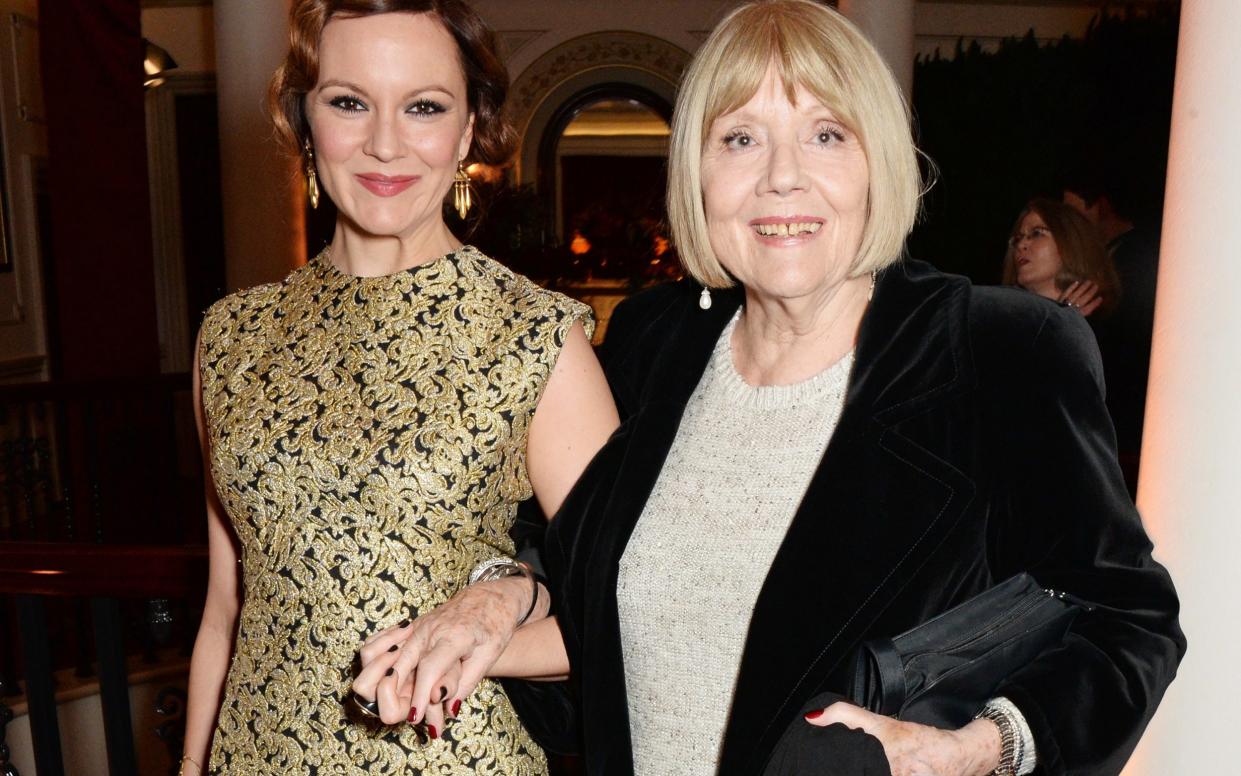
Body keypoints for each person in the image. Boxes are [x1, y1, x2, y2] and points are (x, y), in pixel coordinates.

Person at [371, 2, 1184, 774]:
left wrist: (972, 749)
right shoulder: (657, 343)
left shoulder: (998, 350)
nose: (781, 179)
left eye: (825, 134)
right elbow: (589, 591)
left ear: (879, 162)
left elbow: (1127, 624)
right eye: (739, 139)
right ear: (696, 172)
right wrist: (494, 603)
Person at [182, 1, 619, 774]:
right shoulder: (231, 335)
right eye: (349, 102)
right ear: (304, 122)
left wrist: (469, 645)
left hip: (449, 756)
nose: (385, 142)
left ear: (469, 131)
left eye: (423, 107)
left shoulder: (535, 337)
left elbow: (621, 618)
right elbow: (226, 607)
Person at [1064, 176, 1161, 494]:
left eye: (1076, 215)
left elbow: (1129, 349)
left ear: (1100, 207)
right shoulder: (1108, 259)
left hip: (1128, 429)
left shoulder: (1136, 257)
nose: (1072, 229)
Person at [1002, 198, 1120, 319]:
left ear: (1071, 242)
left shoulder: (1108, 325)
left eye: (1037, 233)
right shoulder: (1004, 318)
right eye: (1018, 238)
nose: (1021, 245)